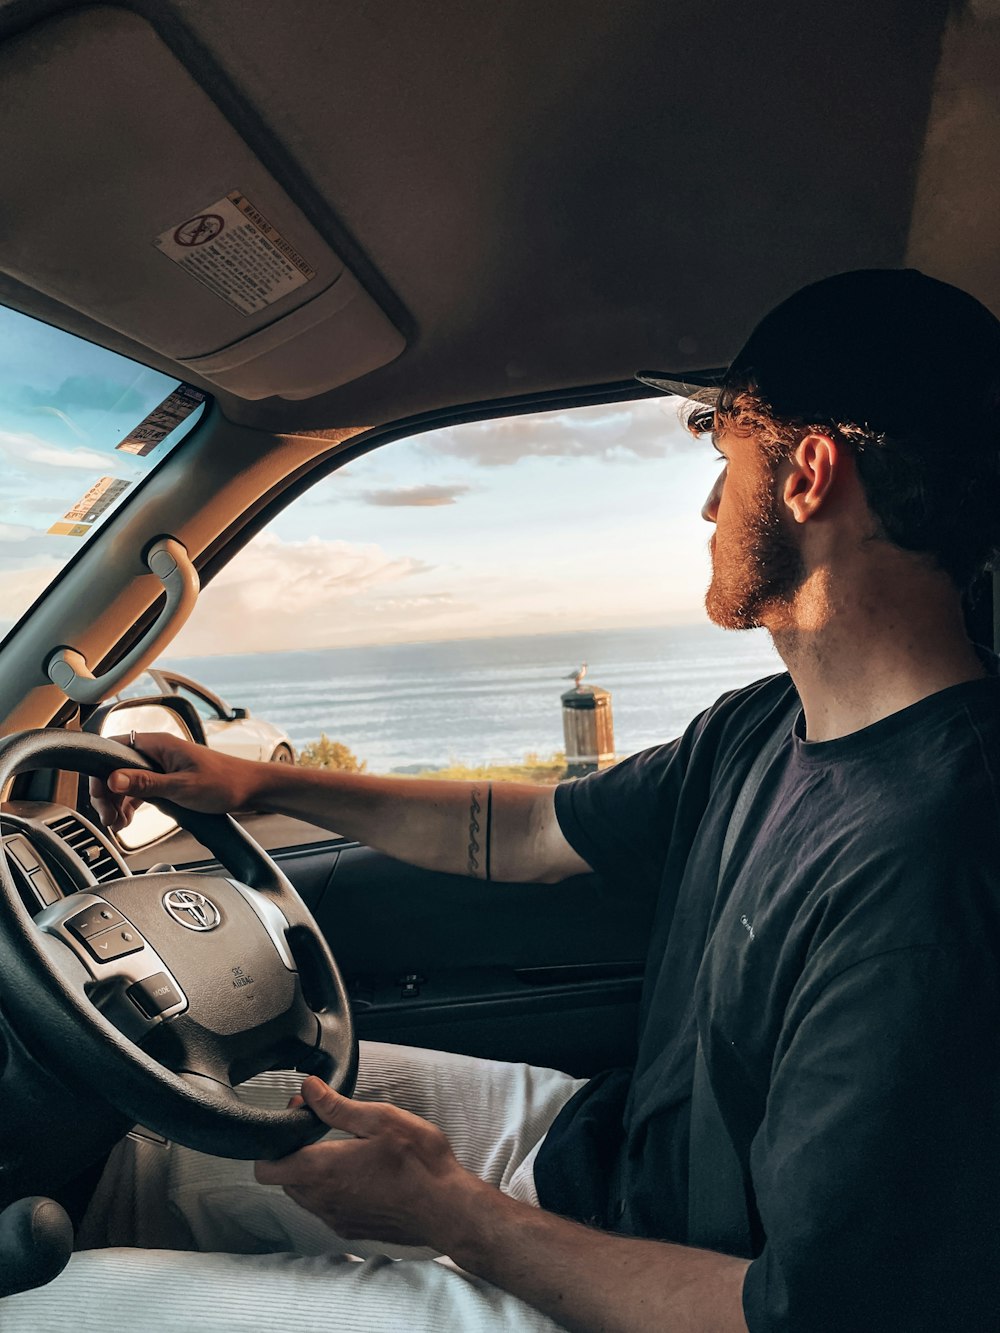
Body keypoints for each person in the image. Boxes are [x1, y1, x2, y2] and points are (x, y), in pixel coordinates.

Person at [6, 268, 1000, 1333]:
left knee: (53, 1308)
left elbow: (809, 1320)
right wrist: (258, 781)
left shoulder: (929, 877)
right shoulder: (768, 724)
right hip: (606, 1161)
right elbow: (529, 827)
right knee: (163, 1135)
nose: (709, 503)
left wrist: (456, 1215)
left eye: (725, 453)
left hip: (663, 1294)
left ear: (807, 473)